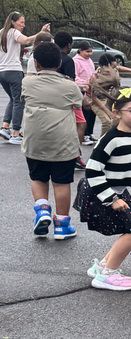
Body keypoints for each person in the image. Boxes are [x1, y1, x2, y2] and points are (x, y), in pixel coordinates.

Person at [78, 90, 131, 291]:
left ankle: (103, 266)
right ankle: (107, 275)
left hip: (120, 191)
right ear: (117, 113)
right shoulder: (110, 139)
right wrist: (111, 199)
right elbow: (91, 172)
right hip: (101, 192)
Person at [21, 40, 82, 239]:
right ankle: (62, 225)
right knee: (61, 182)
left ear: (36, 63)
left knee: (38, 177)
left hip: (35, 140)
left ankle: (42, 210)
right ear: (59, 64)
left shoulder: (27, 82)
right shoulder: (69, 86)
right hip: (62, 141)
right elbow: (78, 103)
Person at [0, 12, 51, 144]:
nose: (23, 25)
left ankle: (5, 127)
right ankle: (15, 133)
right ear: (13, 22)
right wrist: (41, 34)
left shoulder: (2, 33)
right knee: (19, 101)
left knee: (13, 99)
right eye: (21, 22)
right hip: (13, 71)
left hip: (2, 72)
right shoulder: (13, 32)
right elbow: (27, 41)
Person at [90, 54, 131, 139]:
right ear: (107, 65)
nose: (115, 68)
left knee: (116, 119)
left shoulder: (113, 71)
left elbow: (119, 68)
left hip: (108, 99)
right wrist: (107, 111)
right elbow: (93, 98)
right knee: (107, 121)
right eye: (113, 64)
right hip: (97, 101)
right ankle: (103, 139)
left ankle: (117, 137)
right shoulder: (97, 76)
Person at [73, 41, 98, 145]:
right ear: (80, 50)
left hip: (91, 89)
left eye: (91, 52)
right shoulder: (75, 61)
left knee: (93, 112)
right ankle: (83, 135)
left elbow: (92, 73)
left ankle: (90, 133)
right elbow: (75, 76)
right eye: (87, 52)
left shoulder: (90, 61)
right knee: (84, 112)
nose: (89, 54)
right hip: (81, 89)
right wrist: (85, 83)